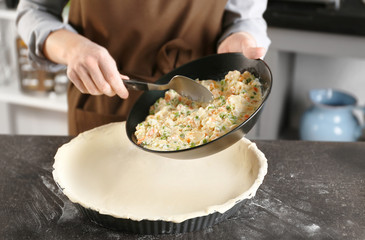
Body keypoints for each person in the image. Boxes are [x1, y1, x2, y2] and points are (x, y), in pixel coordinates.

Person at [16, 0, 270, 135]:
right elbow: (33, 11)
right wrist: (73, 49)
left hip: (205, 111)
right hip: (105, 96)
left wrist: (241, 38)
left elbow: (245, 17)